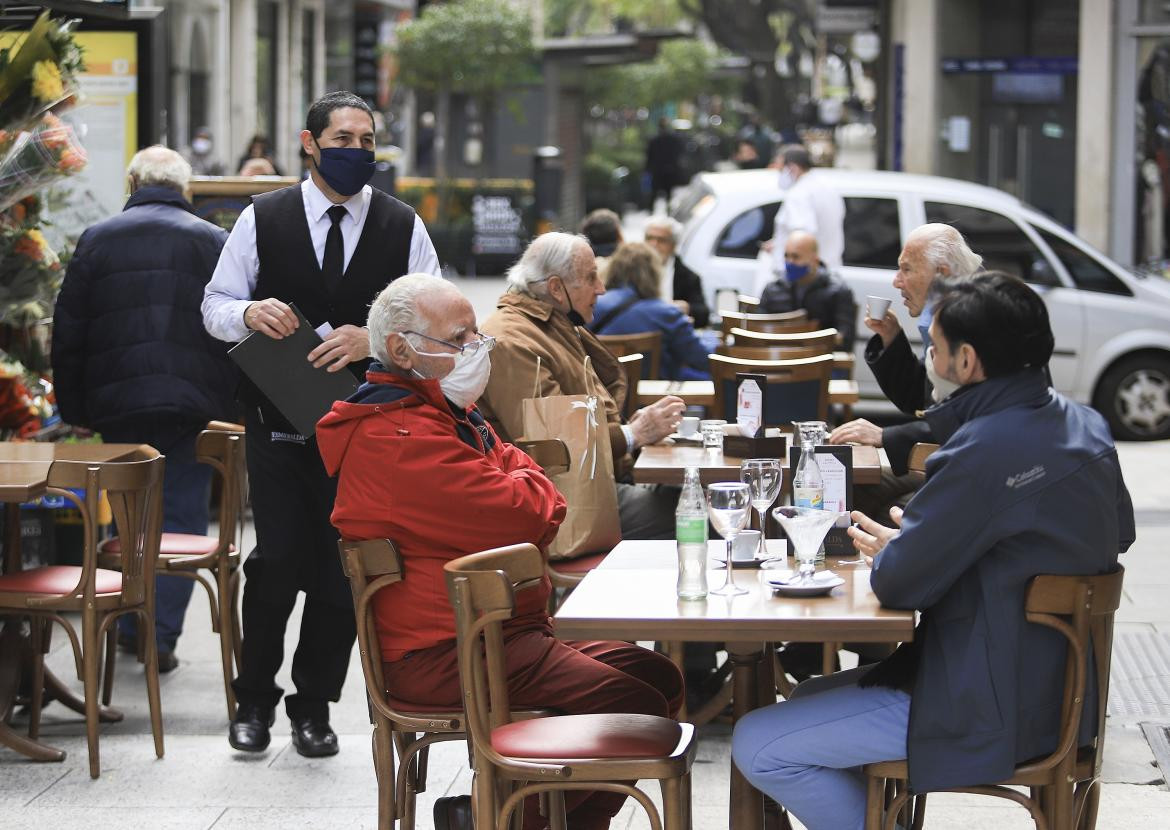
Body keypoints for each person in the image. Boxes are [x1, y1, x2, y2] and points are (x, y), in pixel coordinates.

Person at [731, 271, 1136, 830]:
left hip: (984, 699)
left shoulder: (982, 450)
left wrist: (901, 551)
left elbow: (899, 585)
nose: (929, 355)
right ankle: (883, 818)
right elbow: (1116, 534)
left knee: (757, 742)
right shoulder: (1087, 427)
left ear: (965, 361)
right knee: (810, 696)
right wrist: (948, 551)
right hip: (1063, 694)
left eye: (934, 345)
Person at [317, 274, 685, 830]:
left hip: (501, 631)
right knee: (637, 705)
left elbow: (521, 478)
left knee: (658, 678)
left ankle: (510, 812)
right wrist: (518, 471)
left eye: (476, 337)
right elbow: (534, 510)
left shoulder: (441, 415)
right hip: (446, 652)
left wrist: (516, 470)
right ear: (401, 349)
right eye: (460, 340)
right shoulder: (398, 437)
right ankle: (517, 819)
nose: (475, 351)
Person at [202, 91, 440, 757]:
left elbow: (436, 320)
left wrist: (375, 336)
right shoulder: (264, 217)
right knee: (276, 562)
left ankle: (315, 706)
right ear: (309, 143)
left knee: (344, 570)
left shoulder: (401, 225)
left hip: (368, 428)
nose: (356, 150)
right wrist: (248, 315)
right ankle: (252, 702)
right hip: (275, 417)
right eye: (343, 138)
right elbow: (214, 303)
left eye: (367, 141)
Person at [52, 146, 238, 672]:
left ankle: (127, 621)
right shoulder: (212, 241)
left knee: (126, 517)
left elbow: (70, 331)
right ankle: (159, 637)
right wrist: (226, 401)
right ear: (187, 190)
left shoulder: (98, 238)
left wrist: (74, 405)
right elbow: (235, 328)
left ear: (132, 182)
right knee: (180, 517)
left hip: (117, 407)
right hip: (191, 407)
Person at [478, 232, 686, 541]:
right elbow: (556, 445)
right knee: (697, 510)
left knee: (694, 494)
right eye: (591, 278)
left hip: (588, 483)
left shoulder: (550, 324)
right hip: (561, 500)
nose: (601, 288)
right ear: (555, 288)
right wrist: (634, 434)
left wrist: (634, 433)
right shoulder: (514, 340)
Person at [828, 224, 983, 481]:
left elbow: (965, 424)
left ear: (941, 275)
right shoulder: (943, 318)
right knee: (843, 479)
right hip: (945, 462)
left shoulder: (973, 324)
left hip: (965, 472)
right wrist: (891, 338)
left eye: (907, 269)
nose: (896, 281)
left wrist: (884, 436)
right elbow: (919, 400)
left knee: (846, 482)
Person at [590, 242, 719, 381]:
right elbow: (702, 359)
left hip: (603, 391)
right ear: (654, 273)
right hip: (655, 396)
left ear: (614, 269)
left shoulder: (593, 306)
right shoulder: (667, 313)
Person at [754, 144, 845, 296]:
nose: (779, 175)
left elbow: (803, 235)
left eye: (780, 169)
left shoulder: (799, 194)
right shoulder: (827, 188)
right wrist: (778, 243)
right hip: (827, 272)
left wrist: (790, 262)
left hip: (803, 281)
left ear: (793, 168)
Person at [758, 230, 856, 349]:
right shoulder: (773, 289)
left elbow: (845, 338)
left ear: (814, 260)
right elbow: (759, 331)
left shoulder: (837, 291)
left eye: (796, 257)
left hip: (819, 361)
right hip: (778, 357)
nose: (789, 262)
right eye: (786, 256)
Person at [642, 216, 710, 328]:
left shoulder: (688, 277)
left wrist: (686, 308)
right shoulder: (631, 269)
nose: (654, 244)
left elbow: (703, 315)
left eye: (661, 240)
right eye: (649, 238)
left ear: (673, 245)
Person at [644, 117, 685, 211]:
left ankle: (652, 211)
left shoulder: (654, 139)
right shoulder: (673, 139)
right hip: (668, 170)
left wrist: (648, 169)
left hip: (657, 170)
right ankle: (667, 211)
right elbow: (679, 154)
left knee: (655, 193)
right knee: (668, 194)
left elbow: (649, 156)